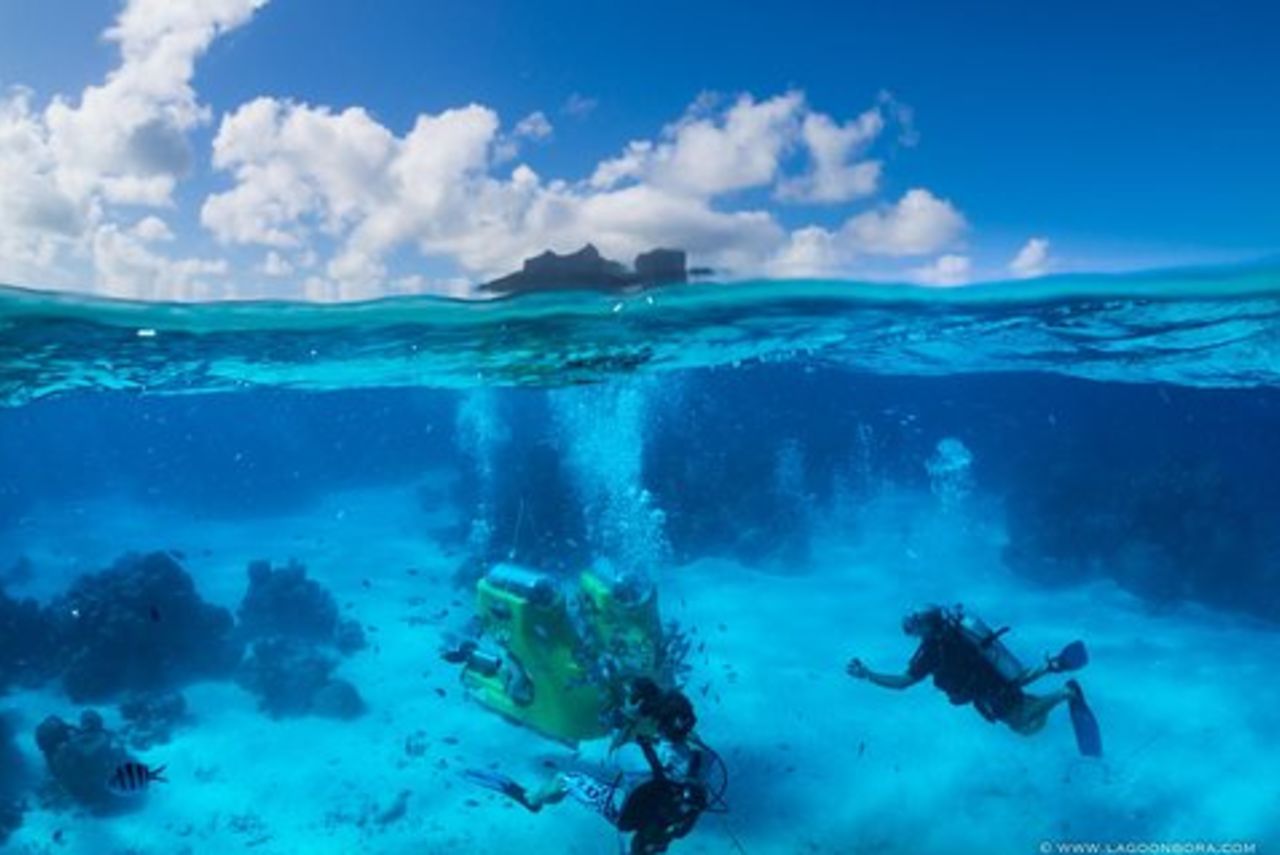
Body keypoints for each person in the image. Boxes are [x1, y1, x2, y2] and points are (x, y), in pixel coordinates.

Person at [463, 679, 726, 854]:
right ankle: (649, 844)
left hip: (627, 814)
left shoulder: (639, 752)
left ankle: (532, 800)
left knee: (567, 778)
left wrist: (629, 720)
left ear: (658, 722)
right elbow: (682, 764)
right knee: (649, 839)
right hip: (670, 823)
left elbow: (613, 761)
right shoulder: (704, 756)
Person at [846, 604, 1102, 756]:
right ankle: (1051, 666)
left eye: (916, 625)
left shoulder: (932, 650)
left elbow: (903, 683)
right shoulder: (956, 630)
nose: (911, 630)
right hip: (994, 676)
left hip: (988, 690)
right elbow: (1000, 665)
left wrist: (868, 674)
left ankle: (1066, 693)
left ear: (928, 628)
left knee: (1021, 723)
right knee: (1015, 683)